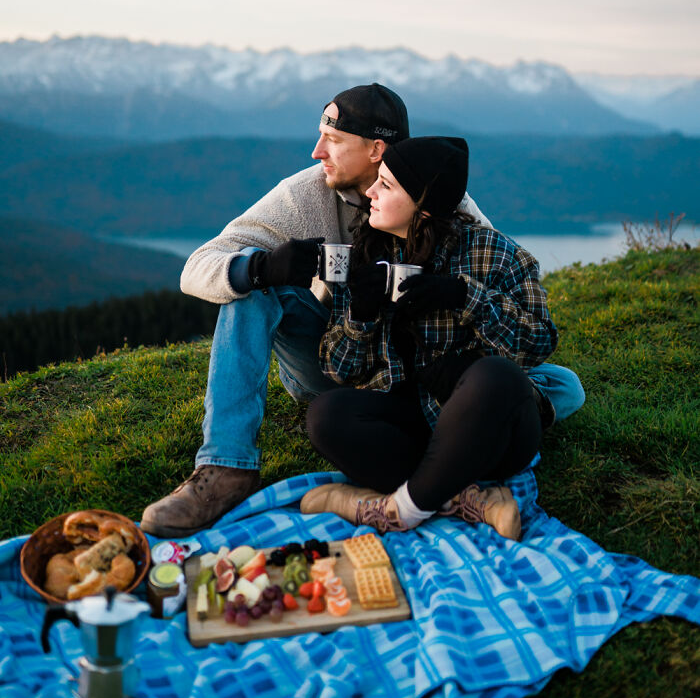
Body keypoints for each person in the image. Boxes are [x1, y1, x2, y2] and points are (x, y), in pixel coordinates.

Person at [140, 85, 584, 538]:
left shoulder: (448, 202)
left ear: (377, 150)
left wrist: (458, 306)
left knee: (556, 384)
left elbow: (498, 293)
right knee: (254, 292)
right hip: (338, 360)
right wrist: (262, 267)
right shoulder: (303, 197)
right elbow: (195, 269)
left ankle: (414, 487)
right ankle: (226, 467)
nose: (316, 152)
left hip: (428, 381)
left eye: (333, 139)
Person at [300, 136, 557, 538]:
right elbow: (337, 369)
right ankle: (465, 499)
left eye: (385, 185)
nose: (369, 192)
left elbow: (541, 340)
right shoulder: (367, 254)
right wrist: (360, 314)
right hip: (412, 427)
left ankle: (394, 509)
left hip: (490, 433)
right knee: (326, 416)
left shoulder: (496, 253)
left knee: (496, 377)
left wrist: (463, 296)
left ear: (425, 204)